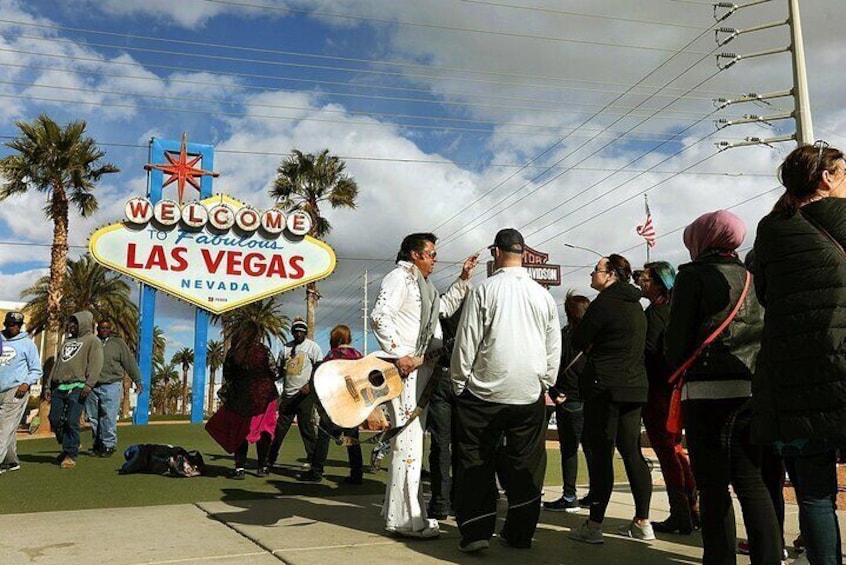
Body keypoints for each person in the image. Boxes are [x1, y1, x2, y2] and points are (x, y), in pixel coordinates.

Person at [665, 210, 781, 565]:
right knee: (752, 482)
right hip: (750, 387)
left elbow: (677, 342)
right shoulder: (751, 276)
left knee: (714, 489)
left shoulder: (693, 277)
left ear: (702, 240)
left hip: (707, 392)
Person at [752, 142, 846, 565]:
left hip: (795, 375)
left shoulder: (771, 230)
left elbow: (766, 294)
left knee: (814, 493)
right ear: (827, 177)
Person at [451, 228, 561, 552]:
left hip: (484, 391)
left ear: (496, 252)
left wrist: (459, 383)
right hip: (528, 392)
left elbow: (467, 339)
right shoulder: (542, 294)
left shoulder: (485, 289)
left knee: (475, 460)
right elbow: (553, 344)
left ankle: (476, 532)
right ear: (523, 253)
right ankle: (520, 532)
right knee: (526, 464)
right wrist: (546, 381)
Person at [371, 232, 477, 539]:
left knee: (410, 443)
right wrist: (399, 354)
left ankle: (399, 513)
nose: (434, 258)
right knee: (409, 444)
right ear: (415, 254)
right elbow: (380, 316)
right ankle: (406, 520)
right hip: (405, 371)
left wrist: (463, 279)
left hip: (422, 371)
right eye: (431, 253)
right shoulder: (399, 278)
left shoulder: (423, 286)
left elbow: (441, 310)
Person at [569, 253, 654, 544]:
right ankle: (643, 521)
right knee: (632, 452)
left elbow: (578, 340)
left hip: (604, 388)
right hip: (635, 387)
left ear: (612, 274)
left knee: (601, 455)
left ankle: (594, 526)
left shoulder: (603, 304)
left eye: (597, 270)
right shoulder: (638, 306)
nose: (592, 274)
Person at [637, 261, 699, 534]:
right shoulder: (679, 309)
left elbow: (650, 354)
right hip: (680, 388)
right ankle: (692, 508)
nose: (641, 281)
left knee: (666, 451)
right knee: (676, 450)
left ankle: (681, 514)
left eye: (646, 278)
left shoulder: (655, 314)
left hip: (659, 392)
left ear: (659, 283)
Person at [543, 291, 592, 513]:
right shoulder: (595, 338)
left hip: (568, 398)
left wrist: (554, 392)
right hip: (590, 399)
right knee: (592, 449)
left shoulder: (565, 336)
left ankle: (569, 495)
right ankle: (595, 494)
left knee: (569, 451)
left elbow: (551, 365)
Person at [44, 311, 103, 469]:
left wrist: (89, 385)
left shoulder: (93, 341)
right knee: (54, 419)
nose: (71, 325)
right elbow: (57, 365)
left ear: (83, 323)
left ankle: (70, 454)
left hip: (78, 386)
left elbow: (96, 364)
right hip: (60, 386)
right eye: (70, 322)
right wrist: (49, 385)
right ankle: (70, 445)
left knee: (71, 420)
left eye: (75, 322)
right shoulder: (67, 342)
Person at [219, 328, 279, 480]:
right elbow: (275, 373)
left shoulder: (233, 353)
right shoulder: (263, 350)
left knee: (240, 432)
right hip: (265, 397)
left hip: (241, 398)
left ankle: (239, 468)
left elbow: (227, 374)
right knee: (265, 431)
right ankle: (262, 467)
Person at [267, 318, 322, 478]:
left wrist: (310, 385)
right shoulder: (286, 348)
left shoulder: (313, 347)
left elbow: (319, 369)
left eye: (301, 331)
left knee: (306, 428)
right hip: (288, 395)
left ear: (305, 332)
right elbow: (278, 370)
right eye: (296, 331)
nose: (298, 334)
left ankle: (313, 459)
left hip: (304, 395)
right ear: (292, 332)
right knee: (280, 429)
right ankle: (270, 458)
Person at [310, 324, 365, 484]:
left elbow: (321, 377)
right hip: (353, 404)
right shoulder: (358, 355)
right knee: (352, 438)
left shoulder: (332, 355)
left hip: (334, 402)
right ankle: (357, 474)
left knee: (324, 437)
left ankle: (316, 471)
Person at [85, 319, 143, 457]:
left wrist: (138, 380)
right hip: (91, 386)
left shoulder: (118, 344)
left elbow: (129, 362)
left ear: (110, 329)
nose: (104, 330)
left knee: (109, 417)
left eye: (107, 328)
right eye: (101, 328)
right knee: (93, 418)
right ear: (97, 329)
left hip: (111, 384)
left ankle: (109, 445)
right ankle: (97, 444)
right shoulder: (92, 342)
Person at [0, 312, 41, 473]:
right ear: (5, 324)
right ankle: (10, 461)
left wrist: (26, 383)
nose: (14, 327)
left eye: (17, 324)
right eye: (11, 324)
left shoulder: (27, 344)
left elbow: (36, 369)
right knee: (7, 427)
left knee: (4, 426)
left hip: (16, 390)